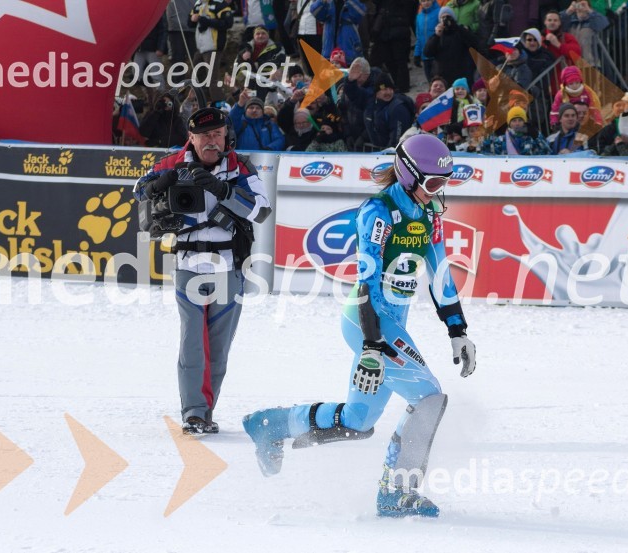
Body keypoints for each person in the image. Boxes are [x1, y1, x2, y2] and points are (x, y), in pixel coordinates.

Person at [243, 133, 477, 517]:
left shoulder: (430, 216)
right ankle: (395, 493)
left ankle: (271, 424)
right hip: (369, 321)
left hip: (389, 323)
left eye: (444, 184)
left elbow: (441, 278)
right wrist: (372, 345)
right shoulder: (379, 212)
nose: (439, 192)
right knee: (429, 397)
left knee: (358, 421)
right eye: (433, 183)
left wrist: (458, 331)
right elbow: (366, 282)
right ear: (408, 174)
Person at [133, 108, 272, 434]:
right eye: (204, 136)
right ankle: (194, 413)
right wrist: (158, 183)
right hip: (187, 267)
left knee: (218, 347)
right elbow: (138, 188)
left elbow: (262, 210)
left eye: (217, 135)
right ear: (191, 138)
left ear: (226, 136)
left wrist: (224, 191)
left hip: (228, 266)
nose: (212, 141)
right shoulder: (173, 162)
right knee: (192, 342)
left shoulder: (240, 166)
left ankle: (205, 411)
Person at [189, 0, 235, 102]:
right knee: (197, 75)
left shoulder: (219, 4)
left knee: (211, 79)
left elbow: (228, 23)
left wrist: (208, 21)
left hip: (213, 46)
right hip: (200, 47)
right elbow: (190, 23)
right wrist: (192, 19)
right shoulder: (198, 4)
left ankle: (220, 105)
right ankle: (204, 101)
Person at [415, 0, 441, 83]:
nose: (426, 3)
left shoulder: (439, 12)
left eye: (428, 0)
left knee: (439, 80)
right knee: (430, 81)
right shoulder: (419, 17)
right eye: (423, 1)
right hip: (425, 55)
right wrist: (417, 54)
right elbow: (418, 37)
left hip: (437, 54)